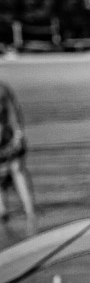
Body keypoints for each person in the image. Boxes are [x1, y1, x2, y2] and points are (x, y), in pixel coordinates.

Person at [0, 83, 39, 226]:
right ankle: (9, 215)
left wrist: (18, 135)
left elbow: (14, 111)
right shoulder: (3, 88)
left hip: (7, 138)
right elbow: (15, 111)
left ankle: (30, 213)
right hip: (8, 137)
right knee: (16, 173)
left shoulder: (2, 89)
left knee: (17, 171)